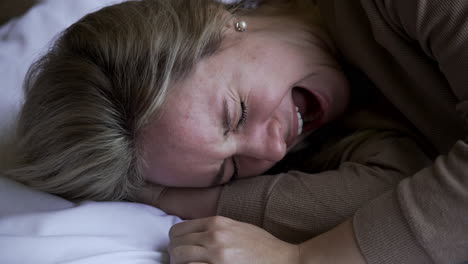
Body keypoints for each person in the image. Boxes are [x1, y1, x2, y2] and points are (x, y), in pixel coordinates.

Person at [4, 0, 467, 263]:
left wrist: (301, 260)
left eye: (237, 113)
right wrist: (159, 196)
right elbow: (400, 187)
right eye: (230, 168)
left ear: (220, 21)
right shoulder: (326, 130)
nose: (272, 148)